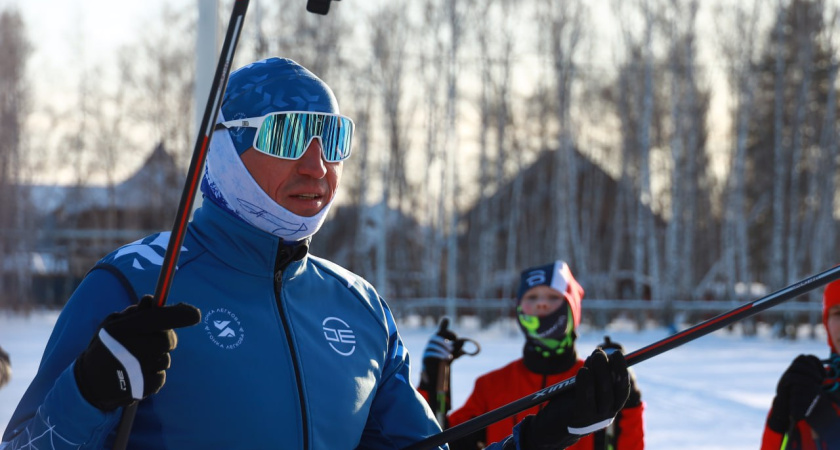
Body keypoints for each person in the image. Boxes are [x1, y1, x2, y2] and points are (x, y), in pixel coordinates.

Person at [1, 58, 629, 450]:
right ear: (224, 150)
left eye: (332, 138)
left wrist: (544, 434)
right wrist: (86, 391)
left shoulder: (358, 307)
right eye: (288, 134)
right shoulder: (134, 284)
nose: (317, 165)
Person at [419, 260, 645, 450]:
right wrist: (431, 382)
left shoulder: (593, 380)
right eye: (532, 297)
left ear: (572, 307)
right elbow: (441, 443)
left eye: (553, 297)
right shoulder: (490, 386)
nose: (542, 304)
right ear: (519, 309)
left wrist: (629, 400)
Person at [760, 279, 840, 449]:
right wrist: (779, 419)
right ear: (826, 323)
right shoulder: (808, 387)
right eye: (838, 313)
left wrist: (828, 425)